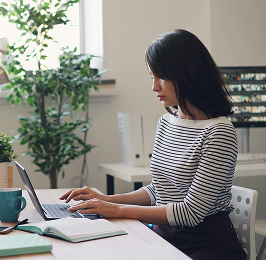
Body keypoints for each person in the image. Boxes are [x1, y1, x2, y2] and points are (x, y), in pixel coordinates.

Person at [59, 29, 246, 260]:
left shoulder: (219, 131)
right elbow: (159, 190)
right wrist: (105, 200)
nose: (154, 87)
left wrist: (116, 210)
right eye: (152, 77)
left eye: (162, 77)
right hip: (163, 237)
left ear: (187, 74)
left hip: (206, 246)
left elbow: (191, 212)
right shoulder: (167, 122)